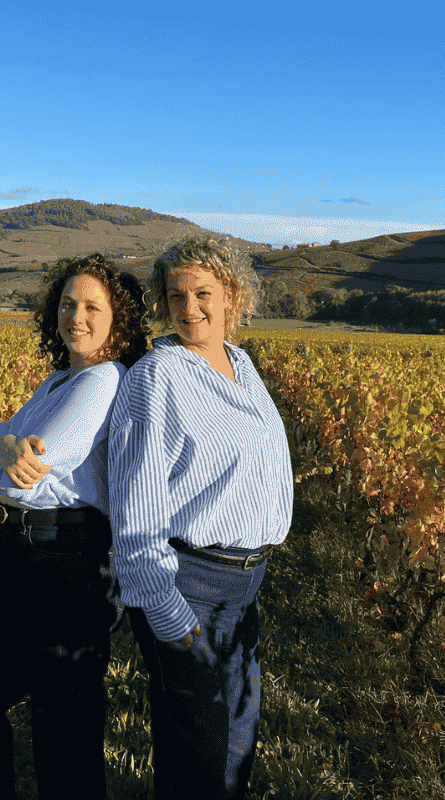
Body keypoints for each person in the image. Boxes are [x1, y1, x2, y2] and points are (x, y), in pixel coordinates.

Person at [0, 254, 148, 800]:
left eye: (93, 307)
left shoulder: (104, 380)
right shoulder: (56, 383)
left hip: (66, 562)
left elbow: (23, 478)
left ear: (118, 319)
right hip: (21, 554)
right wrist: (4, 446)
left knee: (62, 735)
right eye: (68, 304)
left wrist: (1, 451)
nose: (77, 316)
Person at [108, 236, 293, 799]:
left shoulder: (241, 363)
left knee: (236, 741)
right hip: (188, 585)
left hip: (242, 589)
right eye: (176, 296)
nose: (189, 309)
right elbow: (135, 502)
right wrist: (162, 606)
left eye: (203, 293)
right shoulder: (156, 376)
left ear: (232, 295)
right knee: (197, 754)